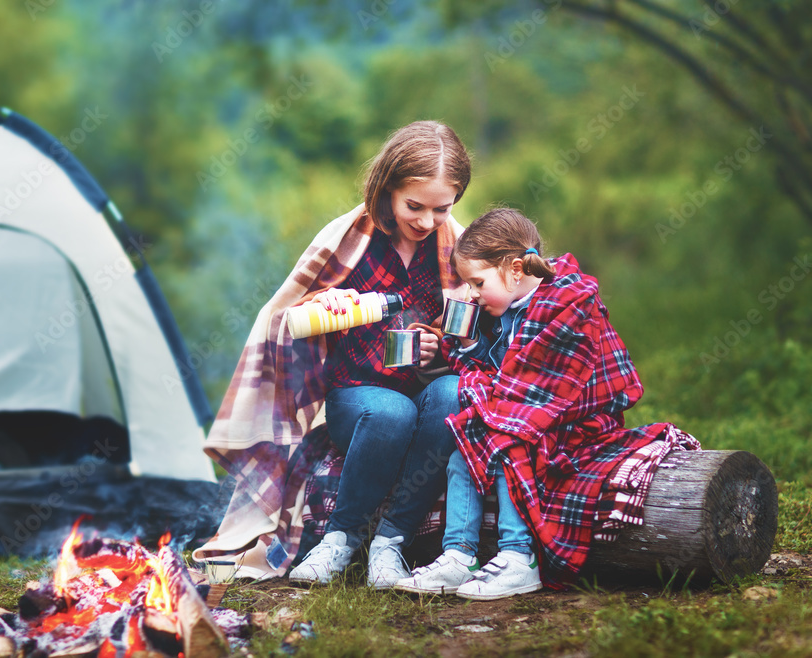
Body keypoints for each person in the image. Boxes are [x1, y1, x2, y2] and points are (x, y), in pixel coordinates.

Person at [193, 121, 471, 588]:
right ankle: (340, 540)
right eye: (414, 206)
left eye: (441, 210)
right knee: (390, 413)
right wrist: (319, 306)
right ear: (388, 188)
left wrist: (438, 348)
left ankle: (391, 543)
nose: (426, 222)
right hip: (357, 393)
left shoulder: (458, 249)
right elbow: (282, 321)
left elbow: (478, 337)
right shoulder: (347, 241)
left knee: (454, 392)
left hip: (426, 388)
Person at [394, 207, 700, 598]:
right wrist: (469, 344)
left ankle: (519, 557)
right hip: (521, 410)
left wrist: (501, 402)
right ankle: (459, 555)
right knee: (464, 454)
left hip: (573, 419)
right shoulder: (501, 306)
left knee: (508, 449)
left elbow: (553, 382)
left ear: (515, 269)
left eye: (477, 281)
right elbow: (502, 371)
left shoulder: (568, 305)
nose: (470, 292)